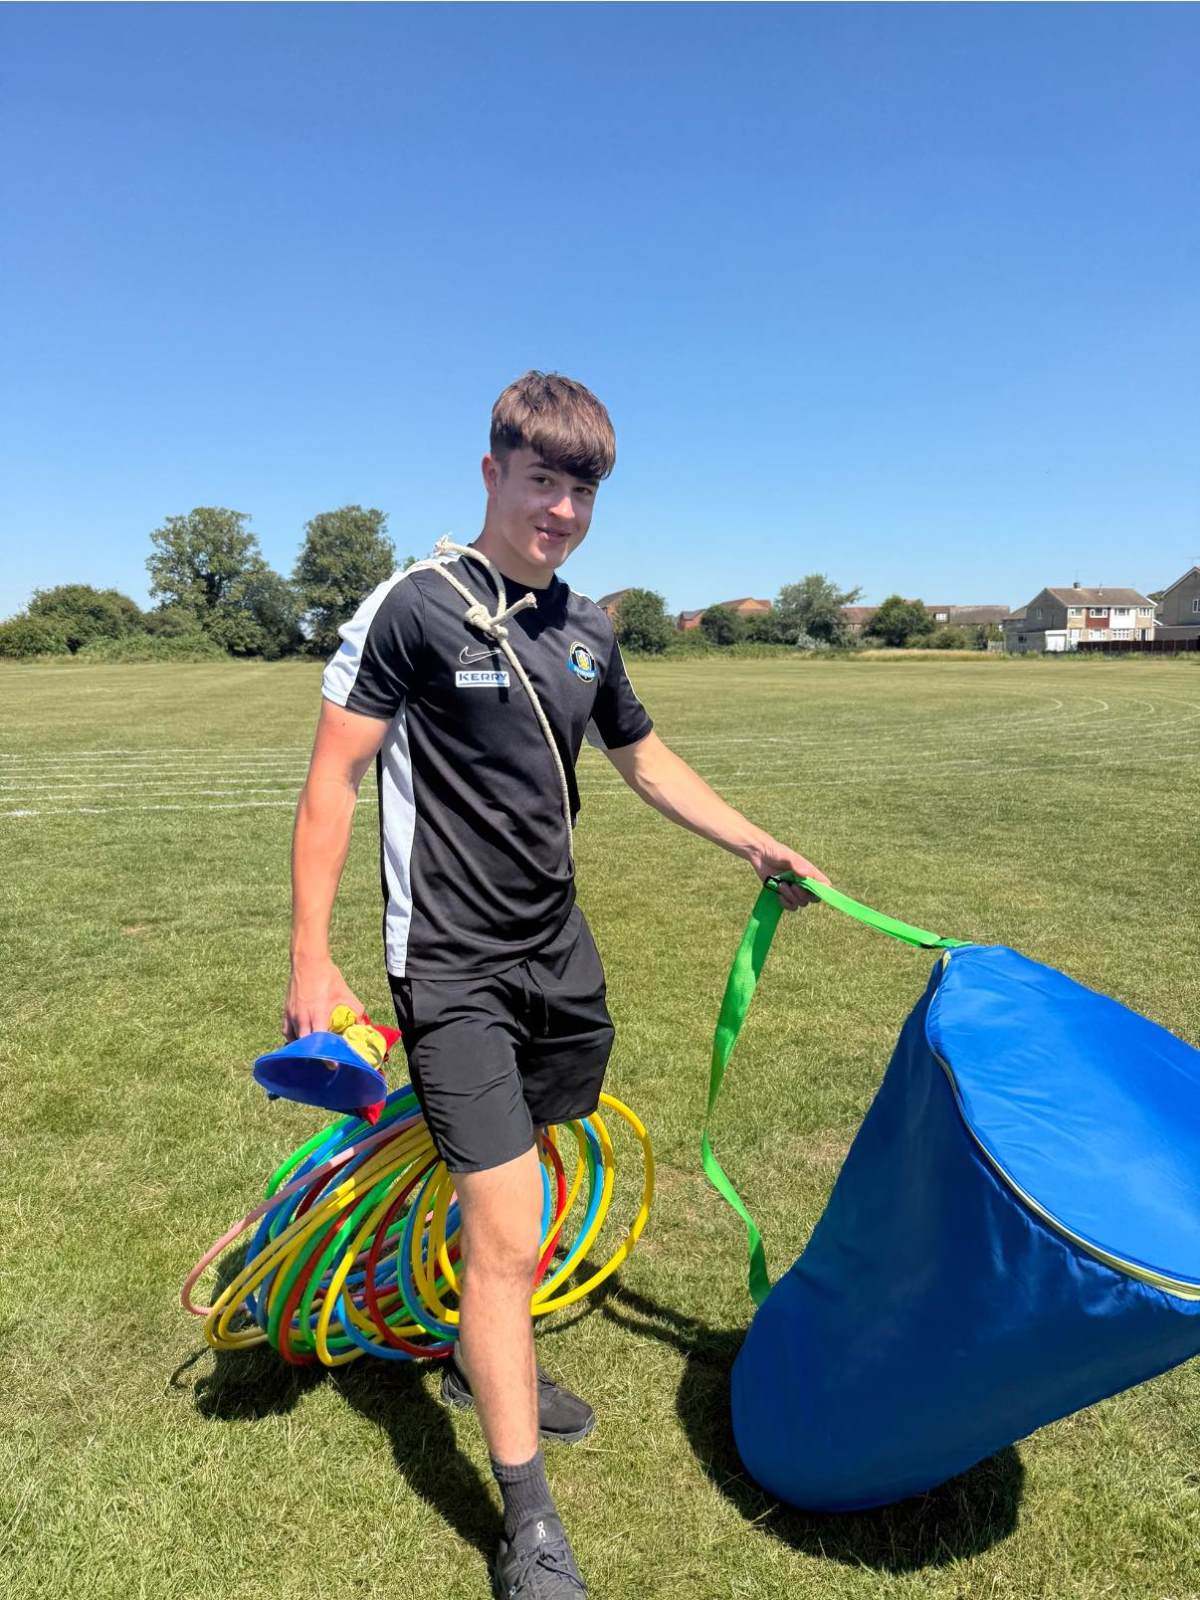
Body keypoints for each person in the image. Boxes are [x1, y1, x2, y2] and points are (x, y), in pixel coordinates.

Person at [284, 370, 828, 1598]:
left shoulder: (588, 627)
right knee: (504, 1229)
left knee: (527, 1183)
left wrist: (755, 842)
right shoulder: (414, 609)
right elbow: (332, 783)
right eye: (542, 481)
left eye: (581, 490)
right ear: (492, 474)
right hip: (452, 968)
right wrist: (311, 958)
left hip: (559, 960)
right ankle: (528, 1521)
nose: (562, 511)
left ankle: (481, 1352)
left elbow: (645, 759)